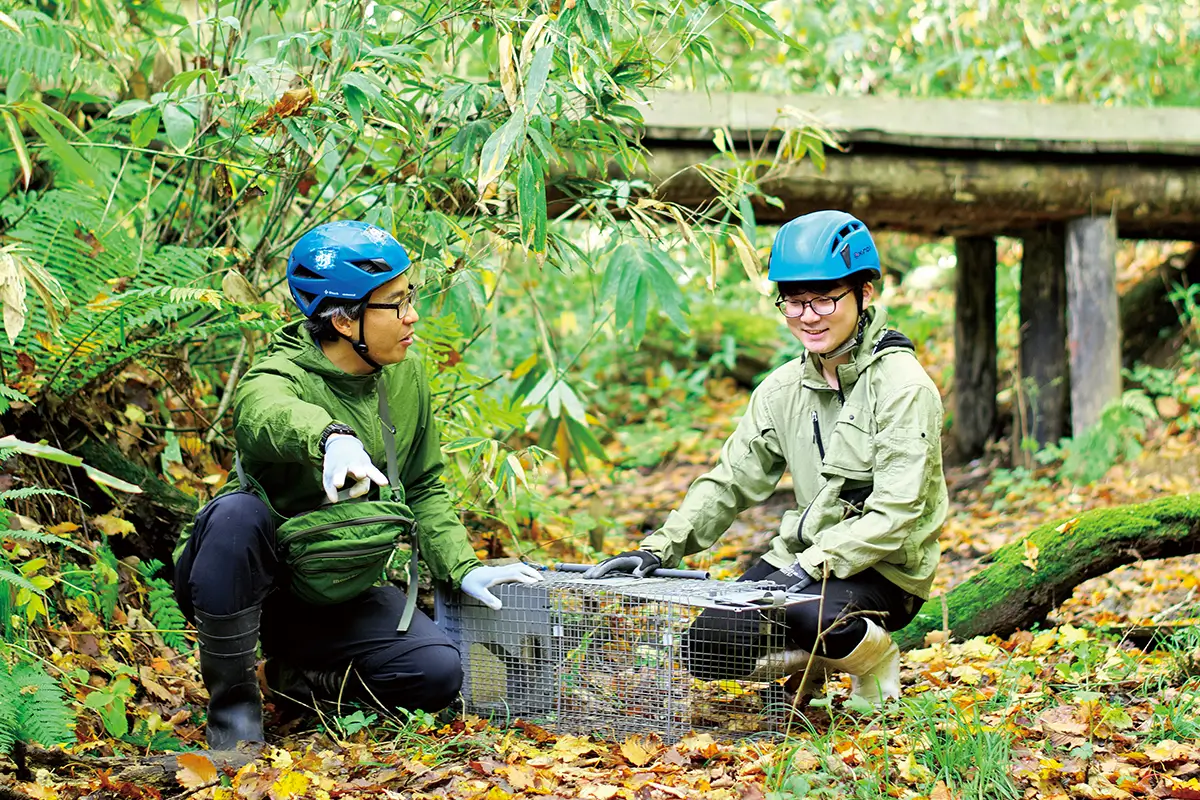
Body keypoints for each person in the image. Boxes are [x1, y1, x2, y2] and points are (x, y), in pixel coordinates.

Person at [173, 220, 541, 749]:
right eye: (396, 303)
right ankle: (234, 725)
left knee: (437, 673)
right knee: (236, 514)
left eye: (410, 296)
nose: (412, 315)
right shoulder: (276, 376)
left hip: (337, 587)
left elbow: (423, 485)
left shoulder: (406, 376)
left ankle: (292, 680)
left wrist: (463, 567)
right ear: (345, 320)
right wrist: (330, 437)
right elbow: (263, 414)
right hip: (248, 587)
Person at [586, 210, 947, 706]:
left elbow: (896, 513)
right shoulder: (782, 388)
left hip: (885, 569)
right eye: (794, 301)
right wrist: (658, 550)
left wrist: (807, 568)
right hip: (803, 560)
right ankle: (822, 660)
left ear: (864, 293)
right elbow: (730, 480)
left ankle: (876, 661)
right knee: (706, 649)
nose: (808, 316)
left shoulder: (903, 387)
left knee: (809, 612)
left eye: (824, 298)